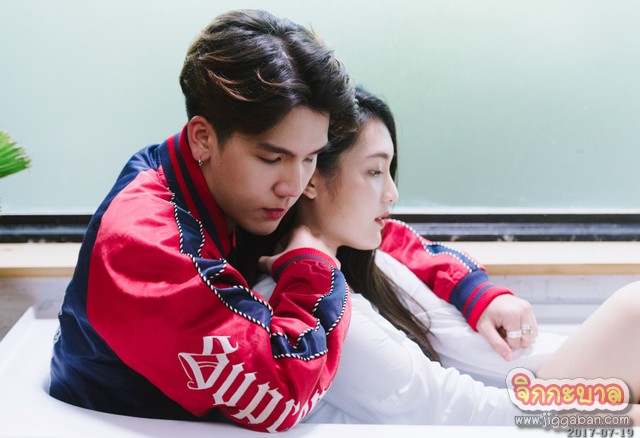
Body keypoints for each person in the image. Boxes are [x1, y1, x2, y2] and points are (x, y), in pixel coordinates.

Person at [49, 9, 359, 432]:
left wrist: (452, 281)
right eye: (272, 158)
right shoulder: (144, 244)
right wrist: (314, 267)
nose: (293, 185)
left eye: (311, 158)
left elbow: (370, 223)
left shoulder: (214, 180)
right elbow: (283, 397)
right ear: (203, 138)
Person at [253, 86, 640, 425]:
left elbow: (464, 345)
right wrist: (620, 416)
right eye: (374, 172)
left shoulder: (375, 260)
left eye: (389, 171)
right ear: (311, 180)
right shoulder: (307, 304)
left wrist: (480, 295)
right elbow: (448, 408)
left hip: (521, 395)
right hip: (508, 415)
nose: (392, 194)